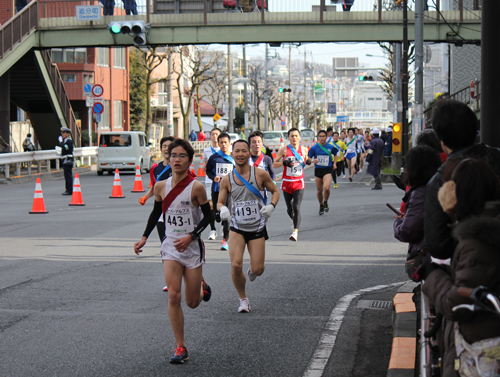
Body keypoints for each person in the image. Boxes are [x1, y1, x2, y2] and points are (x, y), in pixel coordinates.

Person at [134, 138, 213, 364]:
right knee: (173, 295)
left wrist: (191, 237)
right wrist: (144, 237)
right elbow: (155, 214)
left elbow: (208, 216)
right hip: (170, 246)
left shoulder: (196, 187)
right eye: (173, 155)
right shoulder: (160, 186)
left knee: (192, 302)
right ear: (168, 159)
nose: (176, 160)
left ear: (190, 160)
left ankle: (200, 287)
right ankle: (181, 347)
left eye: (182, 156)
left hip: (192, 246)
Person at [421, 159, 500, 377]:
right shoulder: (486, 231)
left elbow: (456, 303)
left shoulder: (478, 242)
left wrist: (434, 276)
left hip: (481, 351)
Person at [423, 99, 500, 261]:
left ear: (441, 141)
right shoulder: (496, 158)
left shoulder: (440, 181)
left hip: (469, 269)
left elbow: (438, 245)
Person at [217, 139, 279, 312]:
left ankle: (253, 271)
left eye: (244, 151)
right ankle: (243, 299)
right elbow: (220, 202)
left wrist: (272, 206)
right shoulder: (227, 179)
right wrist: (222, 209)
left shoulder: (259, 174)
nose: (240, 154)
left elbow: (275, 191)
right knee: (236, 265)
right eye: (237, 151)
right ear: (232, 154)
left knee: (258, 269)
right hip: (237, 226)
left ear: (249, 153)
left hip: (257, 227)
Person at [392, 146, 442, 280]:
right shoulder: (439, 184)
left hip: (429, 258)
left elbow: (407, 231)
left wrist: (398, 221)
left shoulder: (420, 192)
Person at [273, 128, 312, 241]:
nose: (294, 138)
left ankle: (295, 232)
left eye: (296, 136)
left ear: (299, 137)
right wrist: (284, 163)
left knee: (296, 207)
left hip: (299, 182)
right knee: (289, 209)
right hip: (287, 182)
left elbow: (305, 160)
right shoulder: (283, 150)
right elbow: (274, 164)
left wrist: (308, 161)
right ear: (288, 138)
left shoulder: (304, 149)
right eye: (292, 136)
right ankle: (292, 218)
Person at [205, 132, 234, 250]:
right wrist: (213, 177)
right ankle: (220, 222)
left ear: (229, 143)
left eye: (225, 142)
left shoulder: (234, 158)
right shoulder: (214, 158)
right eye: (221, 142)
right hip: (217, 189)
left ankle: (225, 241)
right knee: (217, 215)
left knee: (227, 215)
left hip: (230, 191)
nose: (223, 145)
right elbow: (208, 171)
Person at [308, 130, 338, 215]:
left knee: (326, 187)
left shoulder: (330, 147)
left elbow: (335, 154)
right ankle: (321, 205)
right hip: (318, 170)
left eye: (323, 136)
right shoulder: (314, 148)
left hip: (327, 169)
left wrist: (334, 164)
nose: (322, 138)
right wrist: (312, 160)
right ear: (318, 138)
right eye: (320, 136)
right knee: (319, 190)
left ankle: (325, 201)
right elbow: (309, 158)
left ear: (326, 137)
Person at [201, 128, 221, 241]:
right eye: (212, 134)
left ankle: (224, 226)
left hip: (223, 181)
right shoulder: (207, 150)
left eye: (216, 134)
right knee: (210, 205)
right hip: (210, 180)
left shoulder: (224, 150)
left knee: (221, 204)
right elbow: (205, 164)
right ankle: (213, 230)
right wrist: (205, 168)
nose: (214, 136)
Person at [59, 127, 74, 195]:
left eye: (64, 133)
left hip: (68, 160)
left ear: (68, 134)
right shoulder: (65, 141)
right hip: (65, 160)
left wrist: (61, 142)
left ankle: (69, 190)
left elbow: (66, 148)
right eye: (62, 133)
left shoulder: (69, 141)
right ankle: (68, 189)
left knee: (68, 175)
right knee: (66, 175)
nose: (62, 134)